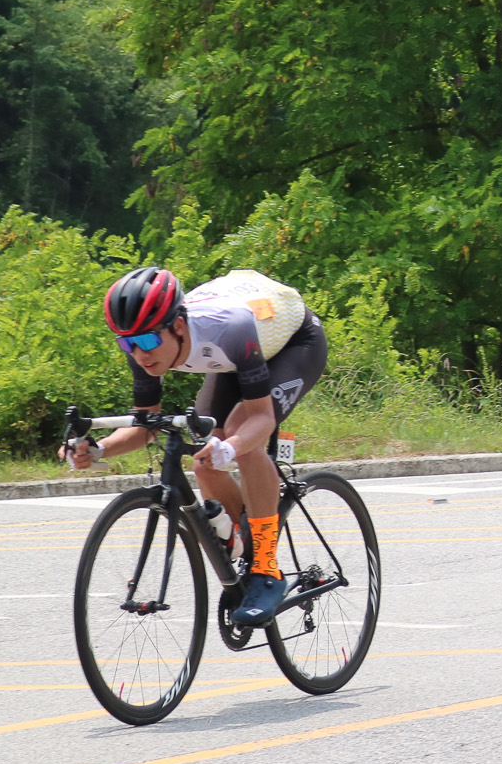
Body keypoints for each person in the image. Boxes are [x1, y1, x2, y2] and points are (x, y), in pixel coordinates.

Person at [69, 266, 329, 624]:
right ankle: (246, 541)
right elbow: (146, 426)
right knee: (205, 460)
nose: (139, 353)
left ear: (178, 326)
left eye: (147, 341)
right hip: (237, 356)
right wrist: (97, 450)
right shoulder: (143, 343)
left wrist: (233, 446)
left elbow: (262, 418)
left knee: (239, 433)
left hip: (293, 343)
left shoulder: (229, 327)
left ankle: (267, 567)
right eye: (127, 344)